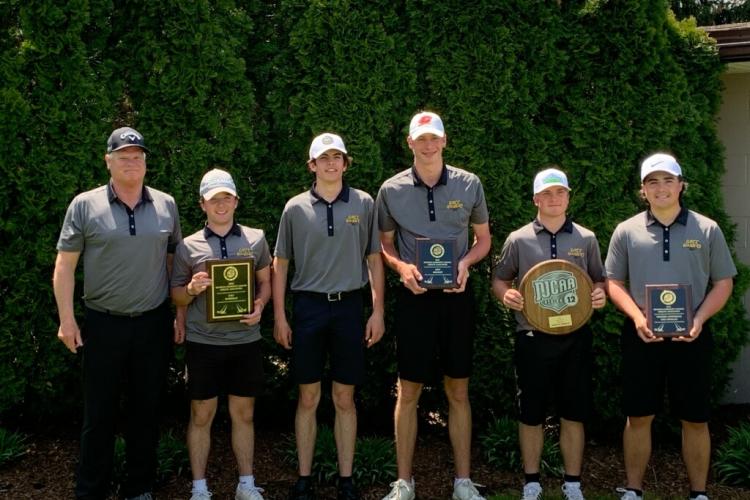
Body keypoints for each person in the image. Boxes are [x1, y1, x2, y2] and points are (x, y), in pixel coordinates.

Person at [53, 127, 181, 500]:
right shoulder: (84, 204)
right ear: (108, 160)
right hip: (103, 324)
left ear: (145, 162)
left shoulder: (166, 205)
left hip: (152, 324)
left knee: (147, 412)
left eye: (138, 155)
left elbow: (173, 262)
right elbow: (64, 266)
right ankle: (91, 490)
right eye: (123, 155)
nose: (132, 161)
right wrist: (66, 318)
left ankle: (139, 488)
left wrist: (178, 313)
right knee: (99, 415)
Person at [605, 153, 736, 500]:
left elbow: (723, 283)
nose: (660, 188)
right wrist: (636, 317)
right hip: (641, 336)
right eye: (652, 182)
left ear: (681, 186)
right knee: (638, 415)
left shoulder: (707, 229)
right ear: (643, 191)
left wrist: (699, 319)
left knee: (695, 418)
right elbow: (613, 282)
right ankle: (633, 490)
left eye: (667, 180)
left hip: (691, 337)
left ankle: (698, 493)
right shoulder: (626, 231)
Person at [376, 111, 491, 500]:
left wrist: (466, 263)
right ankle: (404, 482)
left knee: (458, 390)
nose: (427, 145)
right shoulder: (390, 190)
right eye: (420, 139)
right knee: (408, 392)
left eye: (434, 138)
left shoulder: (469, 183)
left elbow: (483, 241)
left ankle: (462, 482)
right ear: (409, 142)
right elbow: (384, 244)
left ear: (444, 142)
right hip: (414, 299)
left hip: (457, 298)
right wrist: (401, 267)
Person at [272, 132, 385, 500]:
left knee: (344, 398)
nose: (331, 163)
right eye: (324, 158)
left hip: (350, 307)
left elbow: (374, 260)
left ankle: (346, 479)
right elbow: (281, 264)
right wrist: (280, 316)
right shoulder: (295, 208)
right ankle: (304, 479)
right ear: (312, 165)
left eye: (338, 157)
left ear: (346, 163)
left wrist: (378, 310)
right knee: (307, 397)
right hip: (308, 308)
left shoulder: (364, 203)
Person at [491, 167, 607, 500]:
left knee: (574, 413)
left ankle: (573, 484)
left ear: (569, 196)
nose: (553, 199)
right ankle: (531, 482)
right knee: (531, 413)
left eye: (560, 193)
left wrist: (600, 293)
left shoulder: (586, 238)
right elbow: (500, 280)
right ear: (535, 199)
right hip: (532, 338)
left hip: (575, 339)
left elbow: (599, 279)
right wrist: (505, 295)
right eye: (546, 194)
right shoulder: (518, 238)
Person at [171, 168, 271, 500]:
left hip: (244, 342)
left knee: (244, 413)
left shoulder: (255, 238)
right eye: (214, 199)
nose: (221, 204)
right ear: (202, 204)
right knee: (201, 414)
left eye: (226, 197)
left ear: (236, 200)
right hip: (204, 343)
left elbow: (265, 282)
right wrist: (192, 289)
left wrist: (260, 306)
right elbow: (176, 296)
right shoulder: (188, 246)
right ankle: (199, 488)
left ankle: (246, 483)